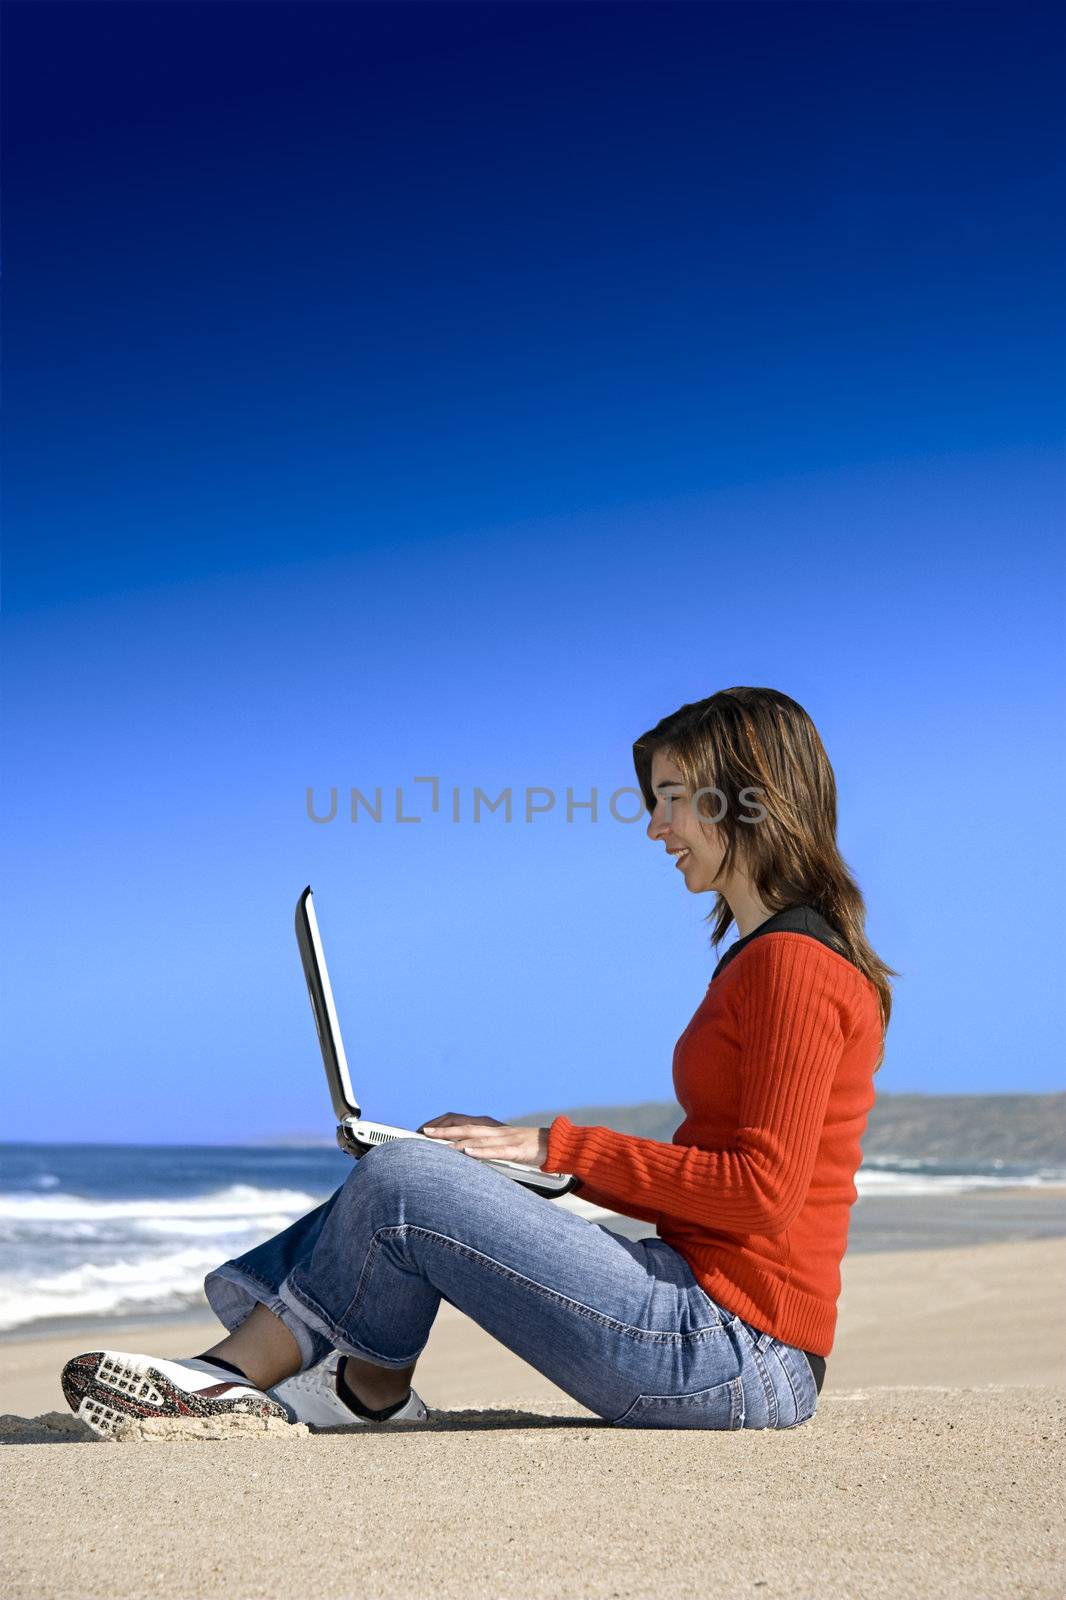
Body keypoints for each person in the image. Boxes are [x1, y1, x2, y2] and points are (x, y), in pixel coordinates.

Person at [61, 686, 896, 1436]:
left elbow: (761, 1191)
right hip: (703, 1314)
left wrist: (553, 1152)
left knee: (408, 1184)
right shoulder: (765, 958)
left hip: (735, 1352)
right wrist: (529, 1166)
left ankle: (238, 1378)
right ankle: (361, 1386)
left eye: (674, 798)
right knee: (419, 1167)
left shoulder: (796, 964)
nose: (656, 826)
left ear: (745, 796)